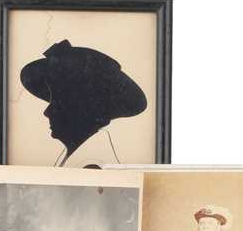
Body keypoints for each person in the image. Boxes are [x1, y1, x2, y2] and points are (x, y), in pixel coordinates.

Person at [18, 39, 148, 168]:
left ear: (82, 112)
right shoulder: (82, 158)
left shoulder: (92, 165)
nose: (46, 112)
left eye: (58, 103)